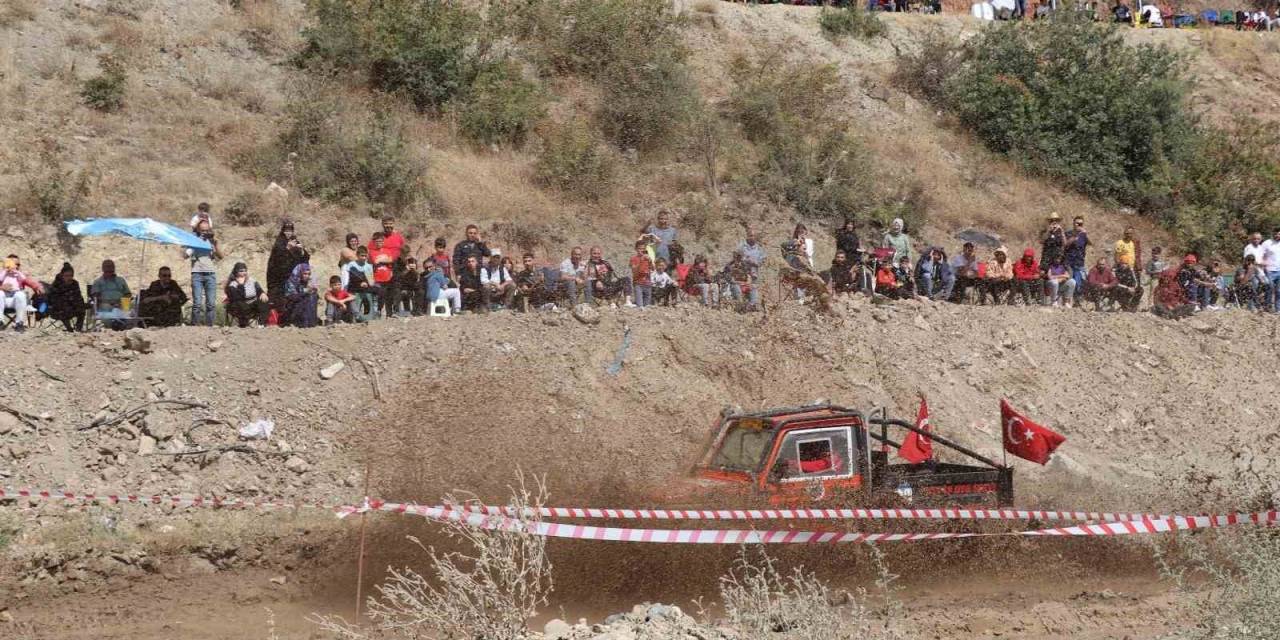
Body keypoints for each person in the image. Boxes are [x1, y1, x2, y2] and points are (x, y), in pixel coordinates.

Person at [187, 219, 222, 326]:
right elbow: (184, 255)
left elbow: (220, 257)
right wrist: (194, 244)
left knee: (211, 303)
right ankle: (194, 326)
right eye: (202, 230)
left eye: (206, 230)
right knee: (197, 303)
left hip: (210, 273)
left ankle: (209, 326)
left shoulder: (211, 241)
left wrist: (215, 245)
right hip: (197, 273)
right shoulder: (193, 240)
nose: (204, 233)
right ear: (197, 229)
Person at [266, 220, 308, 305]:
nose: (288, 233)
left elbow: (305, 259)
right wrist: (288, 248)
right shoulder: (279, 243)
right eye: (286, 231)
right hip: (279, 278)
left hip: (293, 276)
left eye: (290, 231)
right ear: (283, 231)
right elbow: (277, 260)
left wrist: (302, 251)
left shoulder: (295, 241)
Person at [0, 258, 42, 333]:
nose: (17, 266)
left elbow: (29, 281)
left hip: (15, 301)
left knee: (21, 294)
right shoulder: (3, 273)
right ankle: (0, 321)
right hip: (3, 300)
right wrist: (1, 287)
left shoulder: (18, 274)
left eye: (18, 264)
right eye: (15, 264)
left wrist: (37, 287)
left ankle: (19, 323)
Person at [224, 262, 269, 328]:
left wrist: (262, 293)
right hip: (239, 305)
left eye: (245, 271)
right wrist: (241, 285)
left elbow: (258, 289)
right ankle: (244, 323)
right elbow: (238, 297)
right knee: (240, 304)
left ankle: (261, 324)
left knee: (264, 301)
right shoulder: (232, 284)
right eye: (241, 271)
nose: (244, 273)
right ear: (236, 272)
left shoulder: (252, 280)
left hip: (252, 302)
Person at [47, 262, 87, 333]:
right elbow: (54, 301)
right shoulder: (56, 285)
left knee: (82, 309)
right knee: (64, 309)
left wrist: (81, 304)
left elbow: (78, 297)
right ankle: (69, 329)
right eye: (66, 276)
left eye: (71, 276)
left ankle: (78, 328)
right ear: (62, 275)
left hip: (71, 306)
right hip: (57, 310)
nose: (69, 278)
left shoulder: (74, 284)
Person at [342, 246, 378, 321]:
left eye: (365, 256)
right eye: (362, 255)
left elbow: (370, 279)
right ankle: (354, 316)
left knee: (377, 290)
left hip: (365, 287)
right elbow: (351, 277)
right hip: (354, 287)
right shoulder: (352, 265)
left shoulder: (368, 266)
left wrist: (368, 283)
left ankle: (372, 313)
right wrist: (360, 283)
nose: (364, 258)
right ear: (357, 255)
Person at [736, 227, 766, 310]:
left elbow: (762, 261)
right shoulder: (741, 246)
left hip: (754, 273)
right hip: (742, 272)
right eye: (750, 235)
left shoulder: (760, 249)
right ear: (747, 236)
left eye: (753, 236)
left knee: (753, 287)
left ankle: (752, 305)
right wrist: (746, 259)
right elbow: (736, 257)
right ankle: (741, 305)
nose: (752, 237)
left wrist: (755, 262)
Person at [282, 263, 319, 328]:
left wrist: (312, 290)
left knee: (313, 296)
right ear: (299, 272)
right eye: (305, 274)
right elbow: (293, 298)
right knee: (307, 298)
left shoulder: (306, 282)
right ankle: (303, 323)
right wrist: (305, 292)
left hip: (303, 308)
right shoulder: (291, 282)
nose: (307, 276)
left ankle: (311, 322)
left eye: (308, 274)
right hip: (292, 309)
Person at [1064, 216, 1090, 291]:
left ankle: (1077, 300)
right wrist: (1075, 236)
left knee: (1079, 282)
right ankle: (1067, 300)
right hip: (1069, 261)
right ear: (1073, 223)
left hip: (1079, 261)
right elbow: (1065, 245)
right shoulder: (1068, 233)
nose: (1079, 225)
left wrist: (1086, 234)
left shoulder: (1084, 234)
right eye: (1077, 223)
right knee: (1070, 281)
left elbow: (1091, 243)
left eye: (1081, 223)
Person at [629, 240, 654, 308]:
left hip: (648, 283)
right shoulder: (633, 258)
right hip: (638, 283)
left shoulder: (647, 257)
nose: (641, 250)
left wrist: (650, 261)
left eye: (643, 249)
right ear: (636, 249)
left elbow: (653, 269)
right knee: (640, 305)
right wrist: (641, 261)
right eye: (640, 248)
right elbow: (634, 270)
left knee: (647, 305)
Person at [1262, 228, 1280, 312]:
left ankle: (1278, 309)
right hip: (1269, 270)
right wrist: (1263, 267)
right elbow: (1260, 255)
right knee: (1269, 288)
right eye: (1276, 234)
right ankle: (1267, 307)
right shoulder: (1267, 243)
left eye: (1279, 234)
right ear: (1273, 233)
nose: (1277, 235)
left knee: (1279, 291)